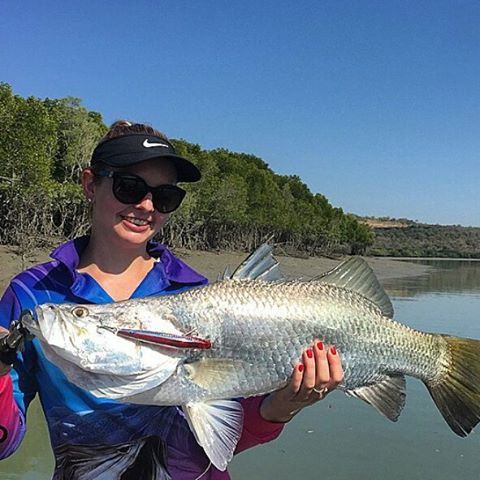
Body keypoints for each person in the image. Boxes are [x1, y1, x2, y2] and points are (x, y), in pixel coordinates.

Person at [0, 121, 344, 479]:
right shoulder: (33, 295)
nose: (147, 206)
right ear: (90, 184)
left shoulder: (200, 297)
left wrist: (283, 406)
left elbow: (218, 440)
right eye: (129, 187)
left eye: (165, 196)